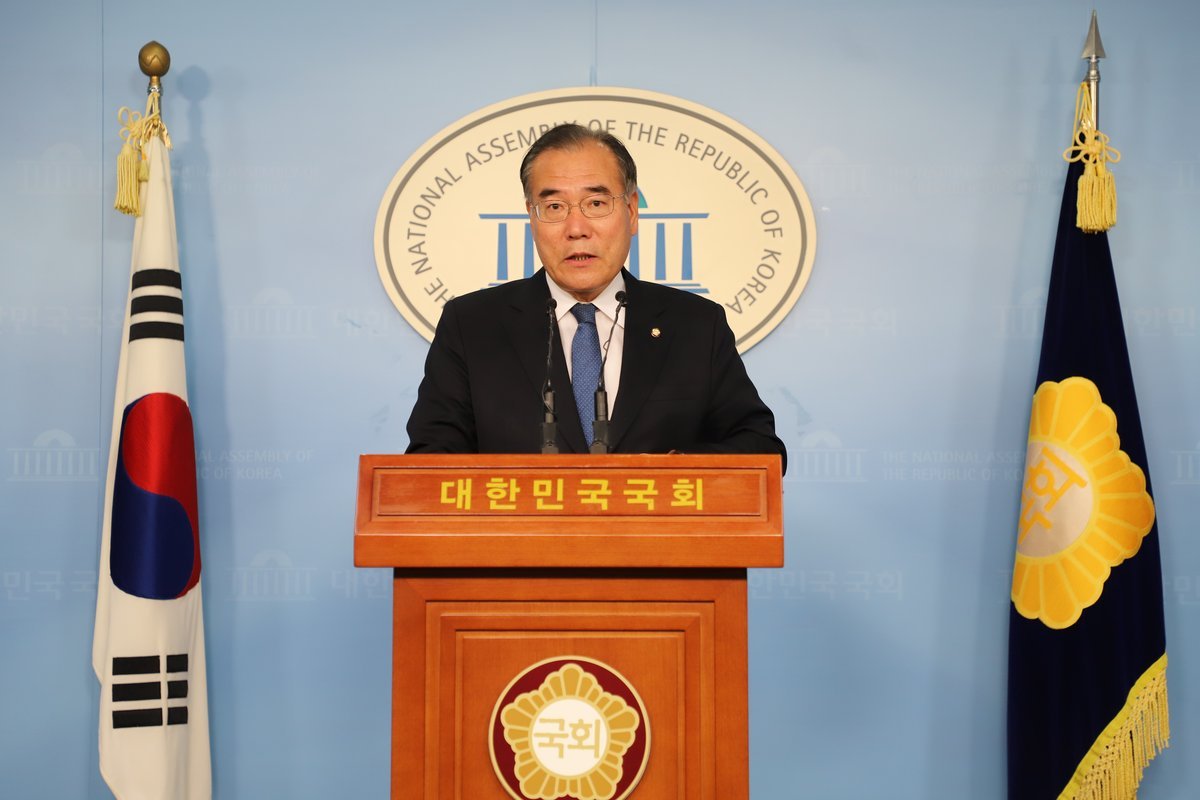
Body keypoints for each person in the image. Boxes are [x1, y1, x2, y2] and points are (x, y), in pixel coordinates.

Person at [405, 123, 786, 470]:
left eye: (597, 204)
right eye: (554, 207)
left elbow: (761, 450)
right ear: (532, 218)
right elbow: (428, 466)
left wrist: (669, 474)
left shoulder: (696, 325)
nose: (576, 228)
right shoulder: (472, 326)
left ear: (632, 212)